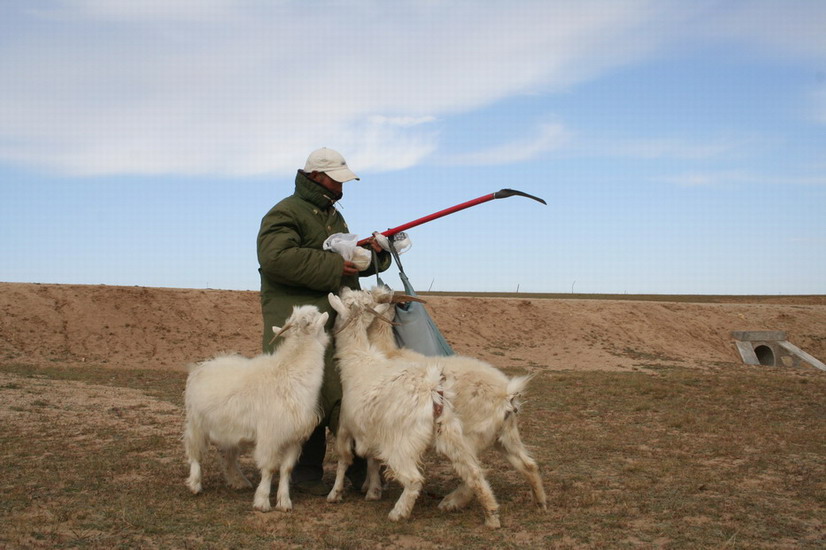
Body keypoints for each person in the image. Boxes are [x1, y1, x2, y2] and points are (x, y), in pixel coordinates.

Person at [257, 147, 391, 495]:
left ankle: (362, 472)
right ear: (316, 176)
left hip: (333, 317)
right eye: (336, 180)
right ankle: (304, 475)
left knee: (347, 392)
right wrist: (333, 266)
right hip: (298, 320)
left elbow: (346, 263)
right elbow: (276, 258)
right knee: (305, 396)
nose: (341, 188)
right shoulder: (285, 213)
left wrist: (377, 256)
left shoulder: (332, 216)